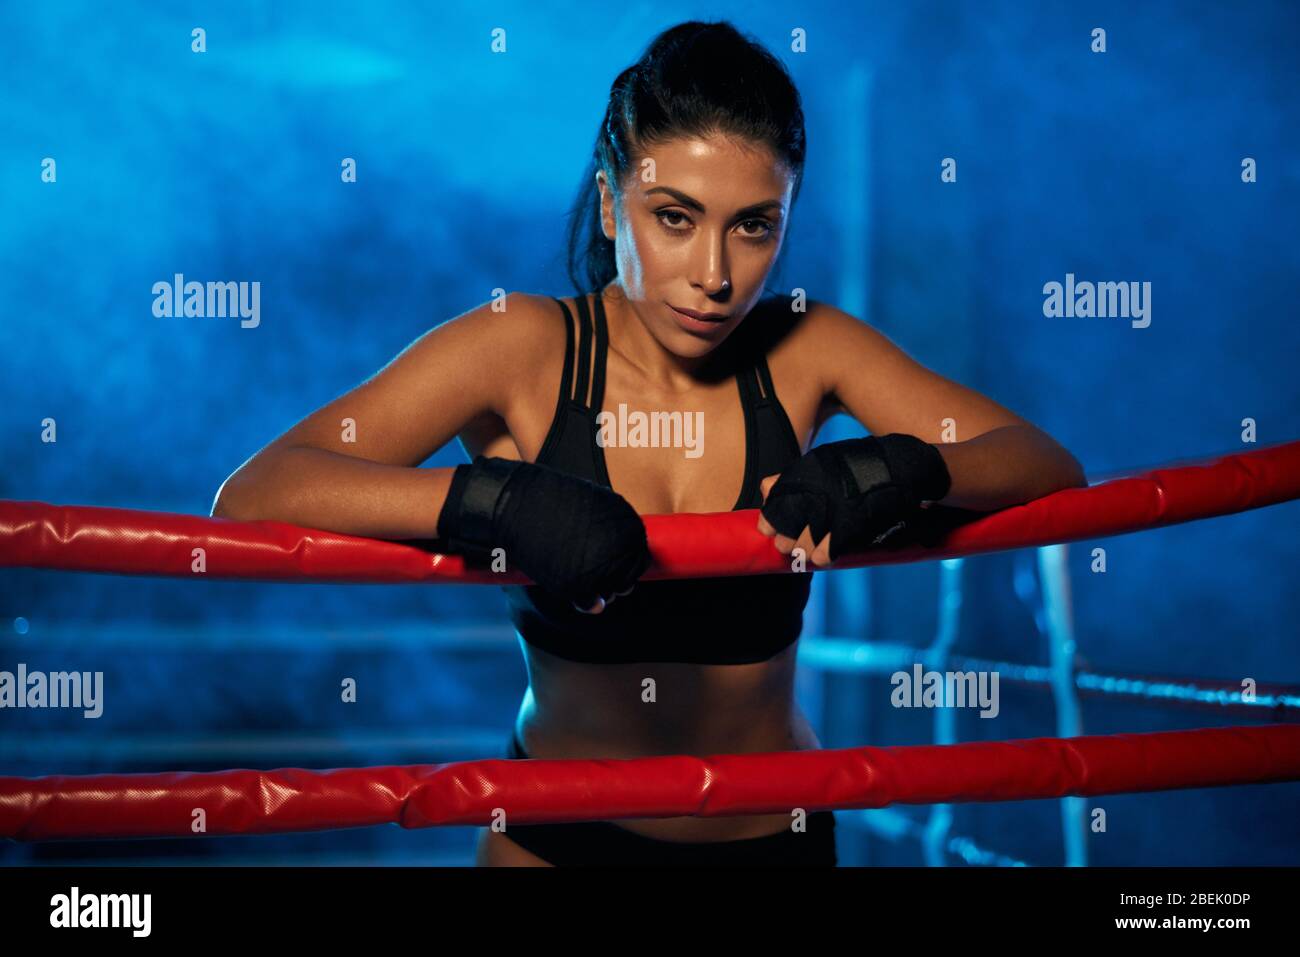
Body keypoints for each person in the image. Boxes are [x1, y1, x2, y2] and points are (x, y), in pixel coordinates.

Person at [211, 20, 1086, 867]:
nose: (714, 274)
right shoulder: (520, 347)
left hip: (769, 838)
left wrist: (905, 469)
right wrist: (487, 503)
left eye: (754, 226)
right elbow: (256, 493)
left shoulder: (806, 345)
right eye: (674, 217)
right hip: (554, 837)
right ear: (607, 200)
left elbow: (1048, 465)